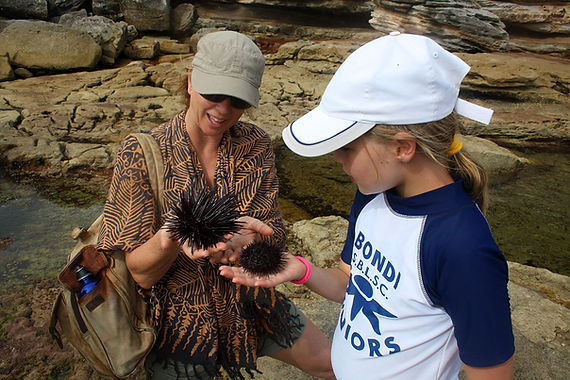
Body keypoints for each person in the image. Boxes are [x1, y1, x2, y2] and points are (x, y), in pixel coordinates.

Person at [220, 32, 515, 379]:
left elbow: (491, 370)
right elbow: (351, 282)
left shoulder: (462, 247)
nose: (334, 157)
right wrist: (297, 269)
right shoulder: (373, 194)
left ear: (402, 148)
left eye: (346, 146)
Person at [97, 30, 334, 379]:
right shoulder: (141, 153)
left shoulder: (254, 143)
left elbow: (273, 232)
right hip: (177, 324)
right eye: (215, 93)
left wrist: (252, 243)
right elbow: (138, 273)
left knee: (332, 363)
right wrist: (170, 238)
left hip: (248, 303)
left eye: (237, 100)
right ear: (191, 81)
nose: (224, 110)